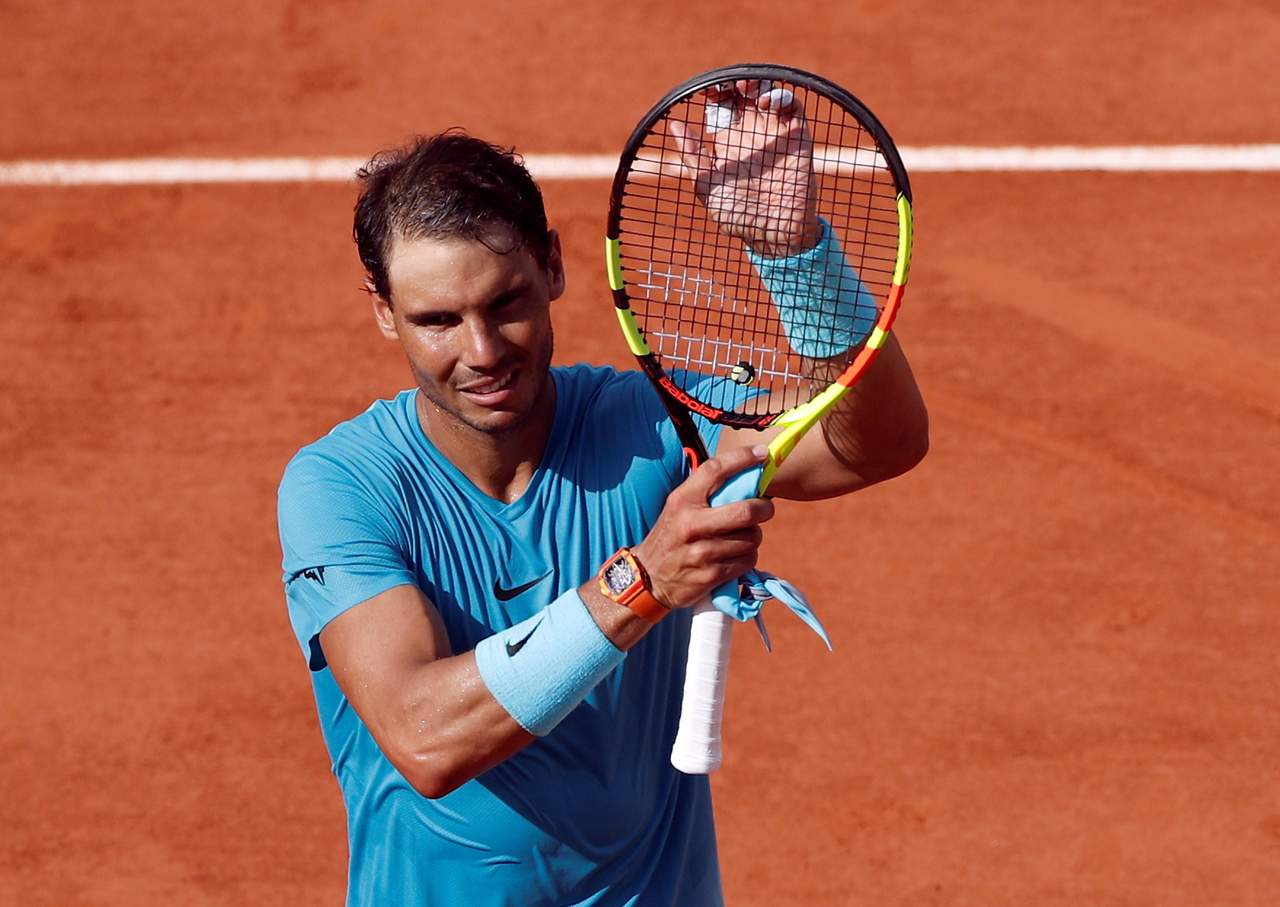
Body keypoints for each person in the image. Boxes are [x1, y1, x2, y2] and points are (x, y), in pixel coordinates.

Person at [278, 87, 928, 906]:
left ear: (553, 266)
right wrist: (643, 582)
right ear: (385, 313)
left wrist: (794, 255)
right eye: (438, 320)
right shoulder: (343, 486)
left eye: (506, 303)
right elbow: (424, 737)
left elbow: (878, 441)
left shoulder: (656, 426)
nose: (482, 351)